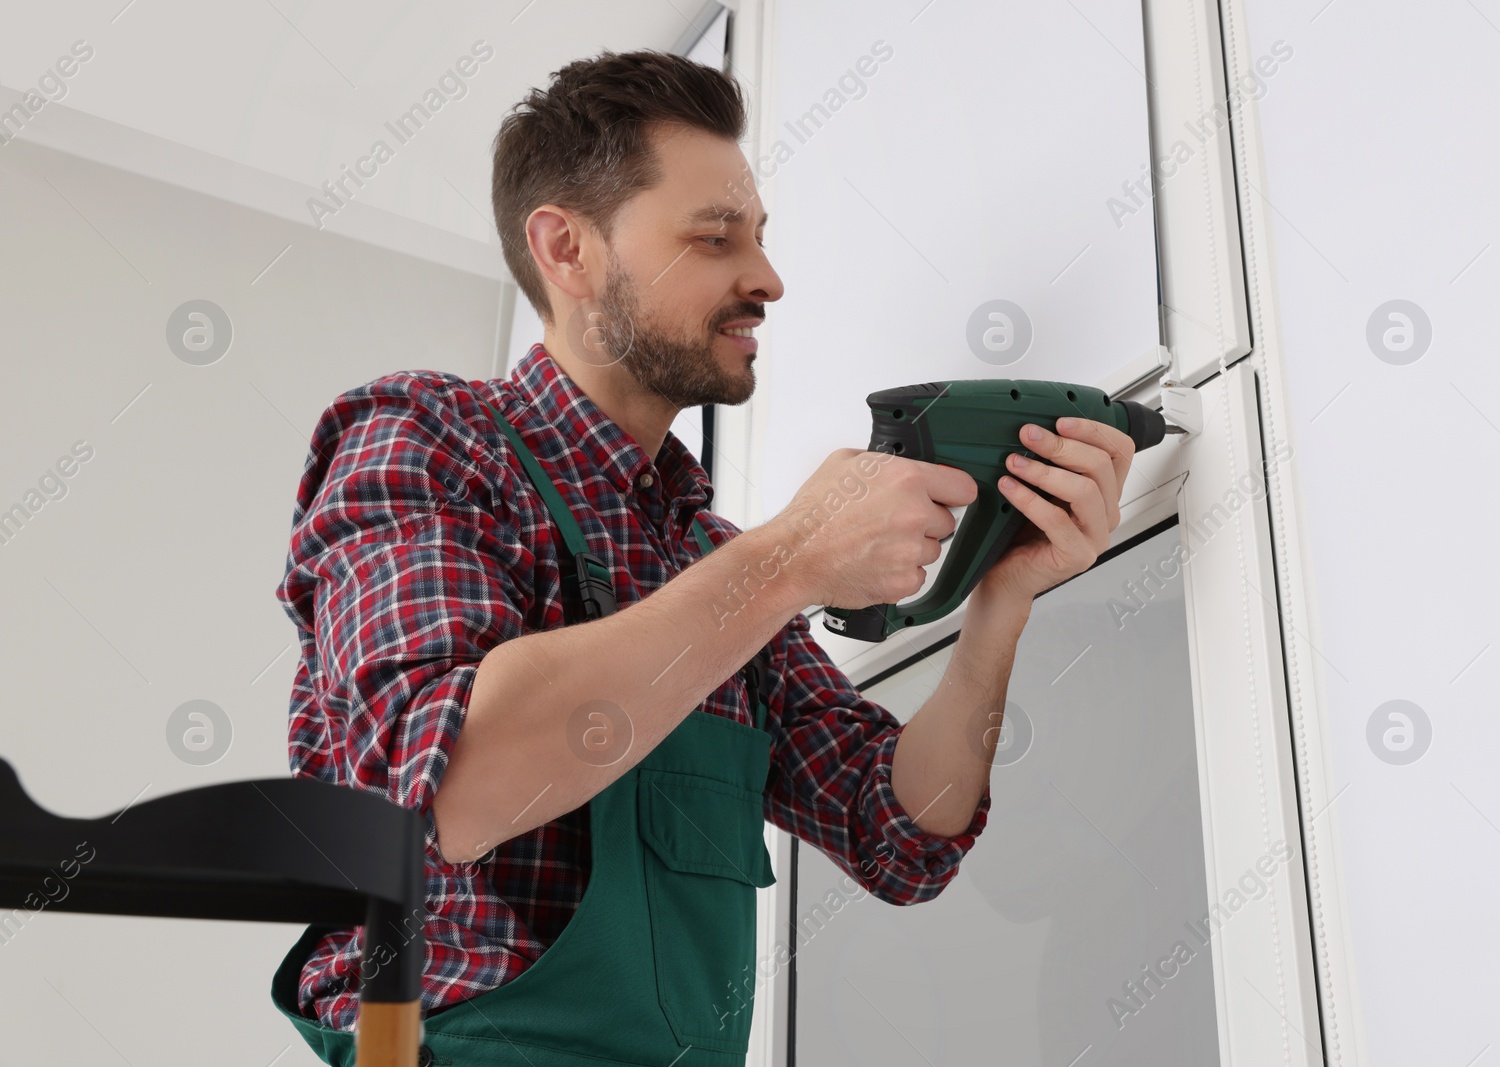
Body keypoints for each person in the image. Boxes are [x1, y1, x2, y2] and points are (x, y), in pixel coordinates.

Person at [269, 49, 1133, 1066]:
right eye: (715, 237)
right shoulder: (425, 438)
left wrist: (1001, 595)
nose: (766, 278)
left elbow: (899, 831)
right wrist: (790, 560)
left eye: (759, 239)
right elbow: (451, 784)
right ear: (567, 247)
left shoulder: (705, 559)